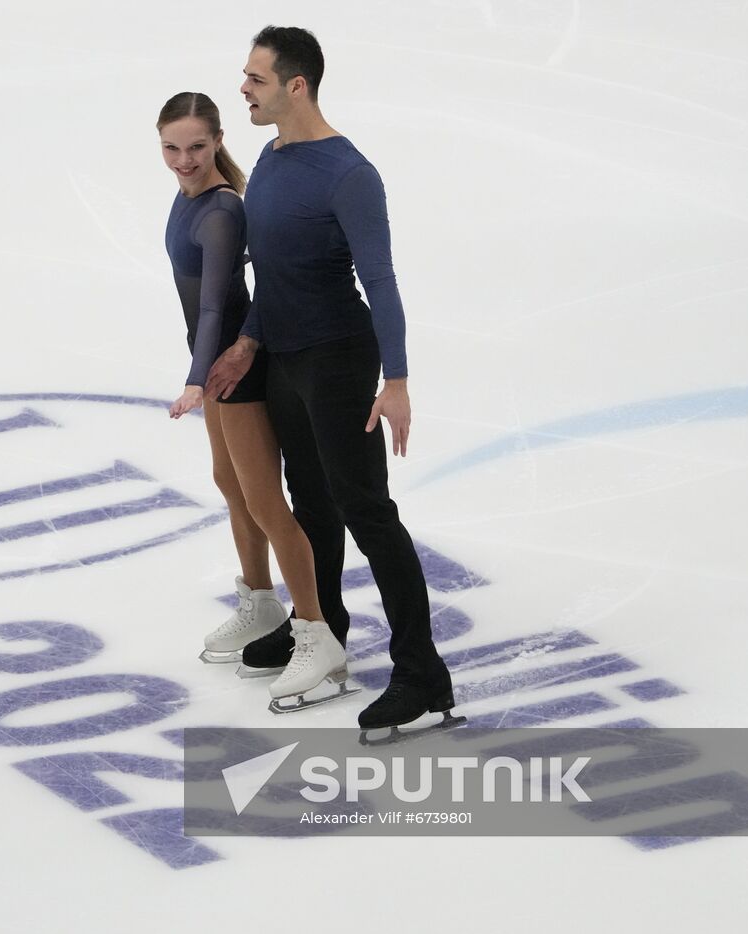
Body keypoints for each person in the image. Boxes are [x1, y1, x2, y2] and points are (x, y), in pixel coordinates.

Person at [204, 27, 459, 731]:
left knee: (366, 511)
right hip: (284, 356)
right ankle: (325, 632)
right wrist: (250, 342)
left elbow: (379, 279)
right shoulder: (272, 157)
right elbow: (276, 272)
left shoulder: (349, 174)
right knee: (309, 505)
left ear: (296, 86)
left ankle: (423, 676)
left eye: (256, 79)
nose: (244, 90)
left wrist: (398, 379)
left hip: (340, 359)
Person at [158, 91, 355, 712]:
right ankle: (260, 601)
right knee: (230, 484)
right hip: (215, 365)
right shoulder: (188, 195)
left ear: (218, 140)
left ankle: (317, 633)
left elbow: (217, 304)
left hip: (233, 367)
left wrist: (197, 377)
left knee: (266, 501)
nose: (184, 160)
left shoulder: (219, 212)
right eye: (172, 148)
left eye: (196, 146)